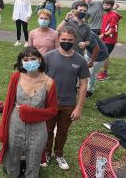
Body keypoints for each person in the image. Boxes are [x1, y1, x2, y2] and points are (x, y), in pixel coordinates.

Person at [0, 47, 57, 178]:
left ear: (40, 60)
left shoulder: (49, 82)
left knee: (34, 159)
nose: (29, 61)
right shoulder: (16, 77)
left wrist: (31, 112)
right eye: (26, 59)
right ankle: (13, 175)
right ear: (21, 62)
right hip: (15, 124)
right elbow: (8, 104)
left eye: (33, 58)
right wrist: (3, 131)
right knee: (13, 156)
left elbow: (53, 111)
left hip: (38, 128)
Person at [43, 27, 90, 171]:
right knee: (47, 130)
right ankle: (46, 153)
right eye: (63, 39)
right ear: (58, 39)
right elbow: (40, 80)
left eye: (70, 40)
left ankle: (59, 154)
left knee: (63, 132)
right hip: (49, 103)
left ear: (75, 40)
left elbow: (83, 85)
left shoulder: (80, 61)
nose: (66, 42)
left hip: (68, 104)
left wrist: (79, 107)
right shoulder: (48, 57)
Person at [97, 0, 123, 81]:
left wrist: (103, 35)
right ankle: (103, 72)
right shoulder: (109, 13)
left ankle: (104, 74)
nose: (105, 7)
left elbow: (113, 29)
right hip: (105, 39)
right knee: (104, 56)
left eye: (107, 5)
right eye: (104, 5)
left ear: (111, 6)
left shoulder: (113, 15)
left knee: (105, 57)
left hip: (109, 39)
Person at [85, 31, 109, 98]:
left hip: (100, 56)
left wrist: (91, 61)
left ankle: (89, 91)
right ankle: (80, 85)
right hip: (89, 54)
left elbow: (96, 49)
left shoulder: (88, 34)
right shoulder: (80, 32)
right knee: (82, 69)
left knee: (91, 74)